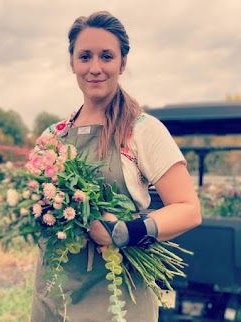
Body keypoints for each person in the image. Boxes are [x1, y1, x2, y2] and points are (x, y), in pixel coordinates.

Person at [31, 10, 202, 322]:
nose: (95, 68)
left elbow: (189, 208)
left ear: (122, 63)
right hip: (54, 299)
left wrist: (123, 231)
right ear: (72, 62)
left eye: (106, 56)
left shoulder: (142, 130)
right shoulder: (52, 138)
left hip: (118, 303)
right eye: (85, 56)